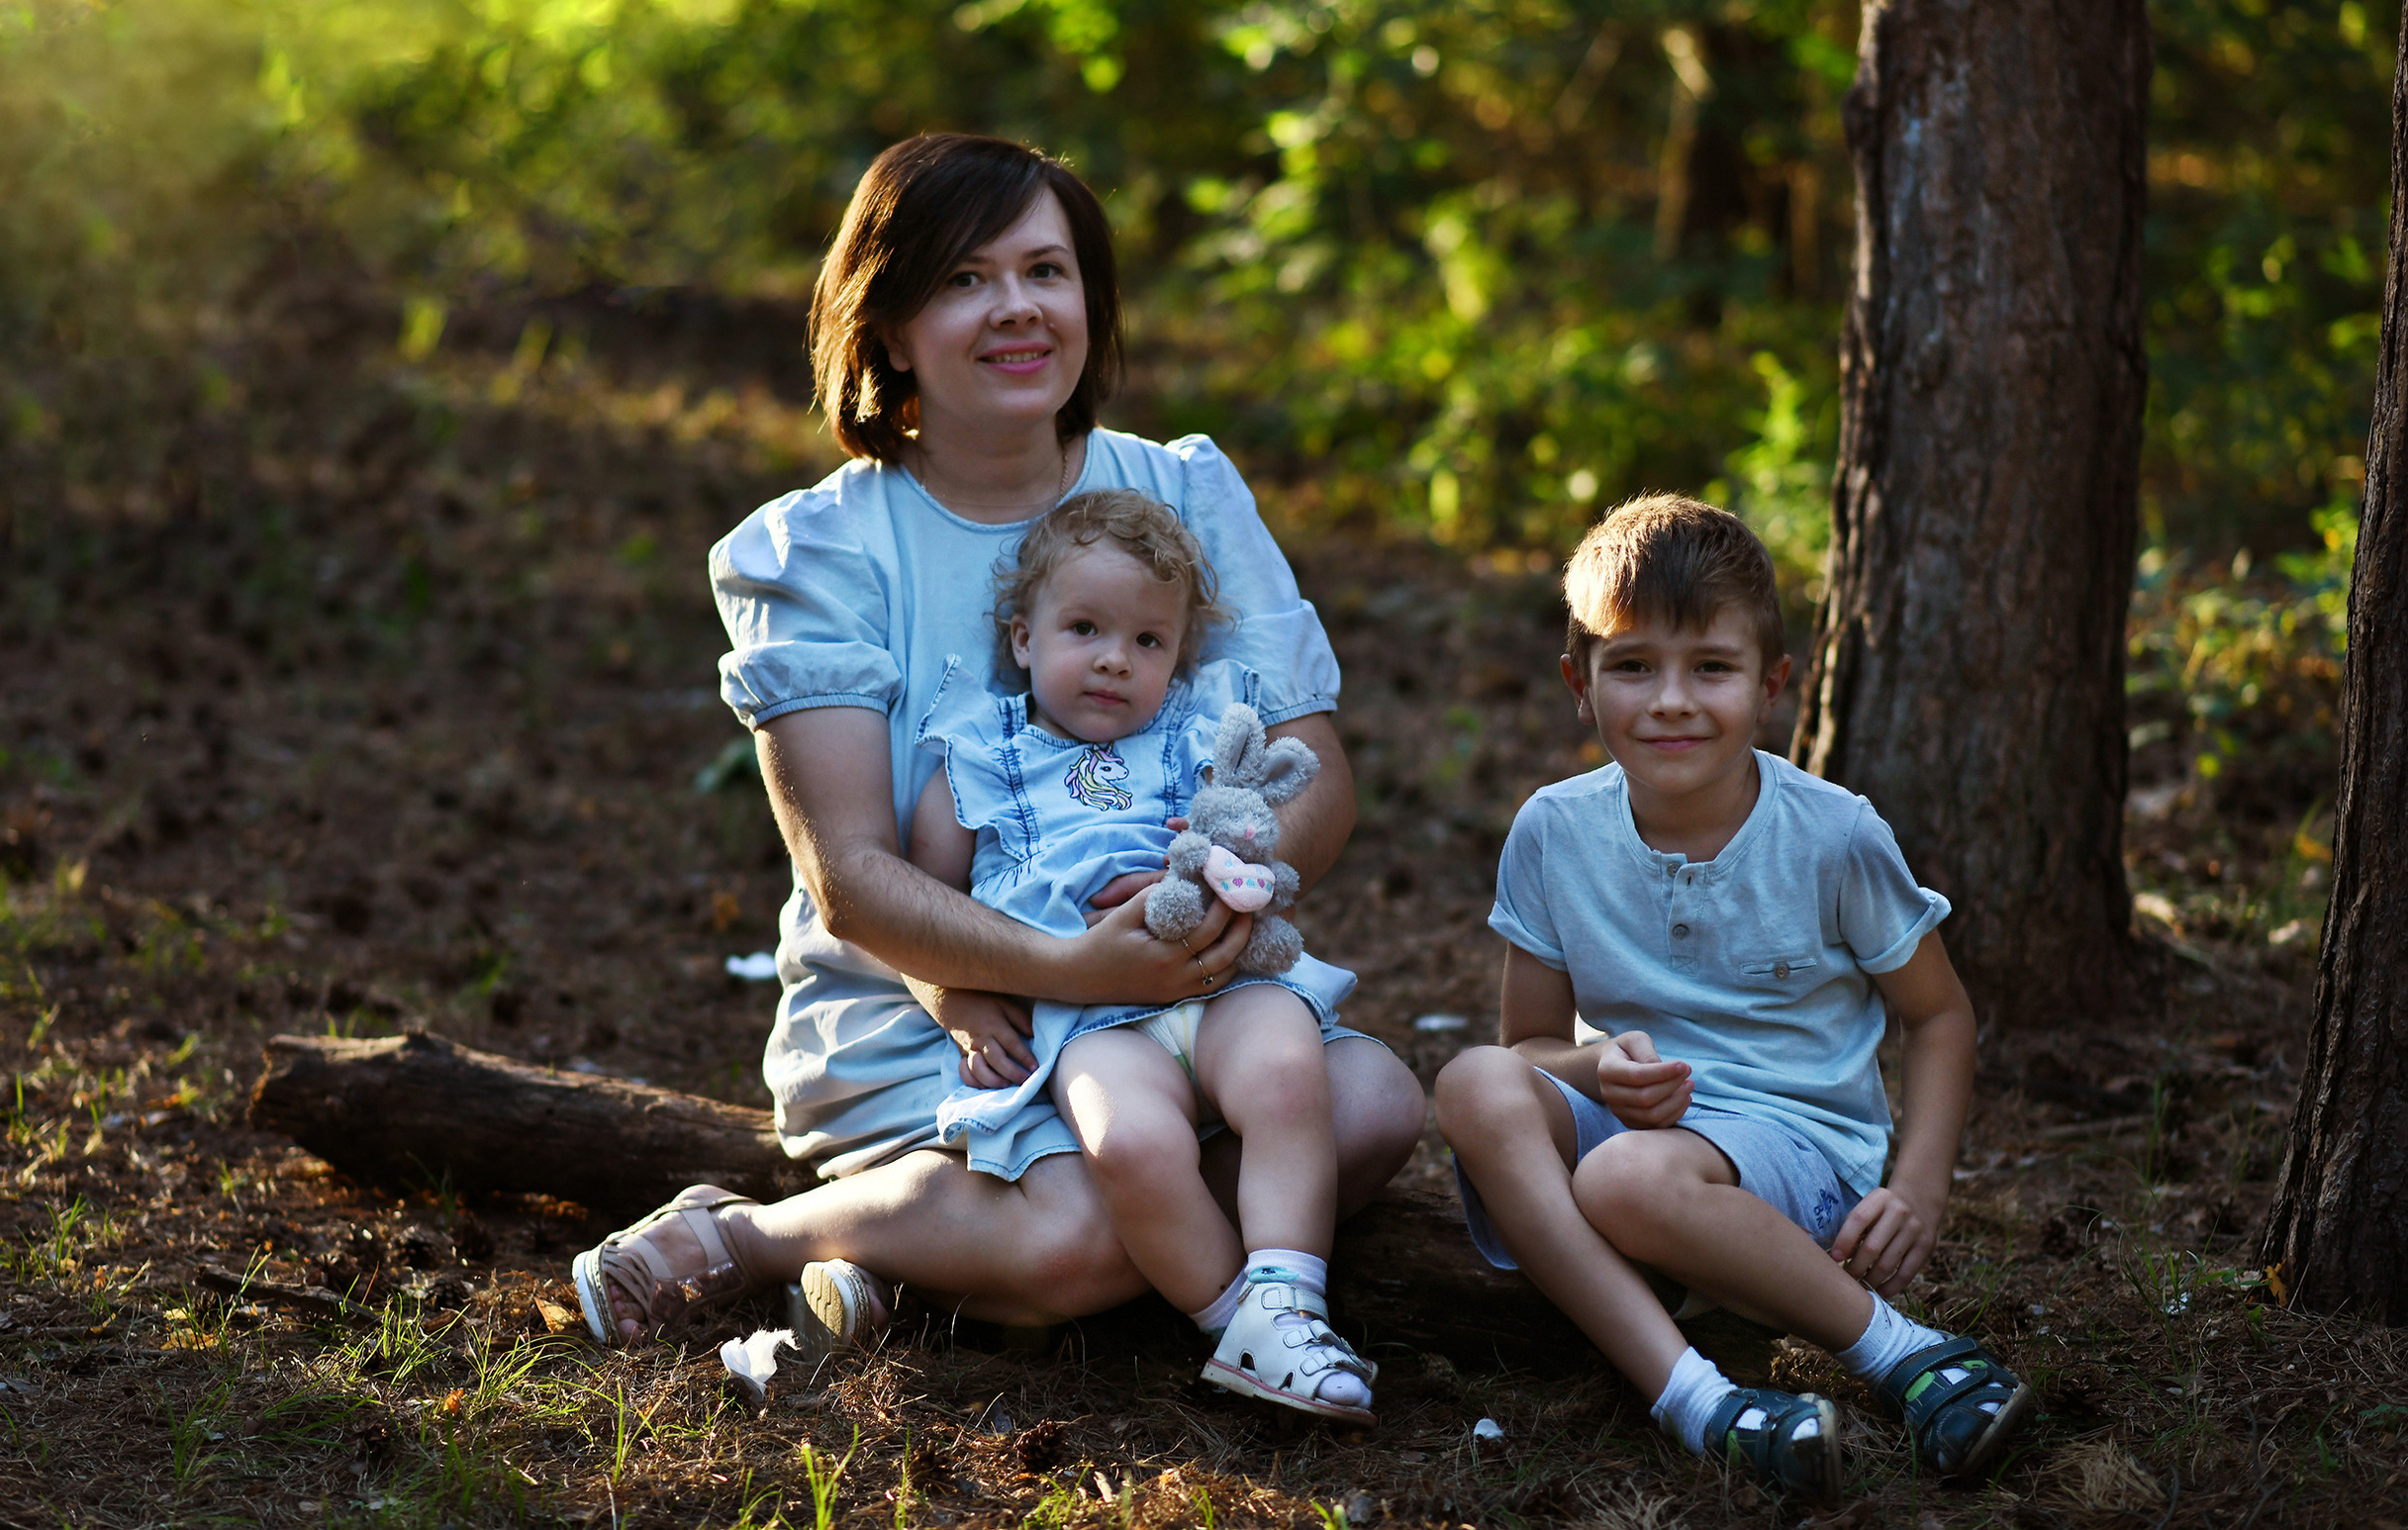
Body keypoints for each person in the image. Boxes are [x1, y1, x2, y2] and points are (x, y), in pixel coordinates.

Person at [568, 133, 1424, 1353]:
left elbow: (1313, 777)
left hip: (1178, 990)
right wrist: (1075, 968)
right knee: (1071, 1235)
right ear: (889, 324)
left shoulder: (1182, 494)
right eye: (963, 279)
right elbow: (851, 876)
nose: (1015, 307)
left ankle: (910, 1267)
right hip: (946, 1014)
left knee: (1379, 1099)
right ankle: (759, 1233)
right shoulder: (819, 551)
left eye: (1046, 271)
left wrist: (1209, 891)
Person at [1432, 496, 2031, 1503]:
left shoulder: (1832, 835)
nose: (1671, 699)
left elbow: (1938, 1013)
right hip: (1636, 1128)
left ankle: (1907, 1353)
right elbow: (1528, 1046)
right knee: (1469, 1081)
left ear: (1770, 687)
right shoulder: (1550, 830)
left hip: (1795, 1145)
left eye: (1709, 666)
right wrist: (1596, 1063)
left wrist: (1919, 1187)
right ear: (1581, 684)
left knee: (1623, 1180)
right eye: (1632, 665)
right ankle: (1696, 1397)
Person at [906, 489, 1376, 1422]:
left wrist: (1236, 863)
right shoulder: (974, 753)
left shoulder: (1203, 737)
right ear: (1023, 639)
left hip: (1219, 976)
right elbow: (925, 910)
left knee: (1288, 1074)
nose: (1116, 659)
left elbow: (1258, 833)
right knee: (1131, 1143)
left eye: (1148, 642)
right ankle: (1238, 1325)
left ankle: (1289, 1296)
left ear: (1178, 658)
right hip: (1089, 1013)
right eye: (1085, 628)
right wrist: (950, 999)